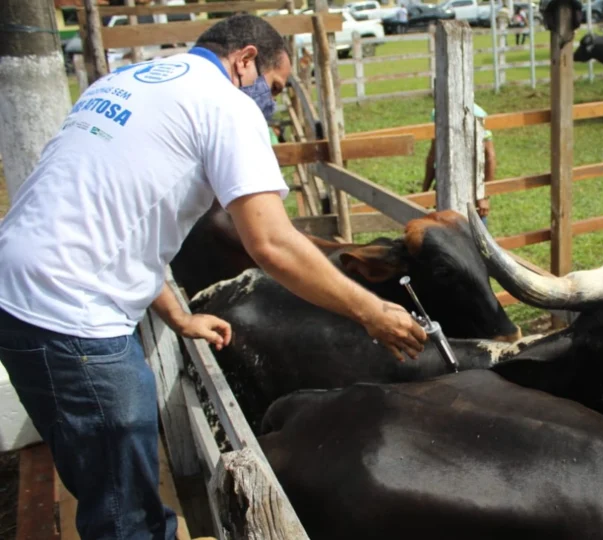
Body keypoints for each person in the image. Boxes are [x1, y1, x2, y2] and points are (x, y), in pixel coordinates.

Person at [0, 14, 426, 540]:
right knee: (122, 510)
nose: (271, 101)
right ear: (245, 60)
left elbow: (113, 216)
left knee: (106, 478)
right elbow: (271, 243)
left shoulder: (126, 82)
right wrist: (371, 310)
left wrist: (178, 315)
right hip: (72, 318)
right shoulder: (225, 105)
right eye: (274, 87)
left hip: (21, 296)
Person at [421, 103, 496, 224]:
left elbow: (489, 157)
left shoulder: (477, 113)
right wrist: (424, 193)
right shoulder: (438, 112)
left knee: (475, 233)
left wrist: (484, 196)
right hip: (444, 186)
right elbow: (433, 155)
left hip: (472, 189)